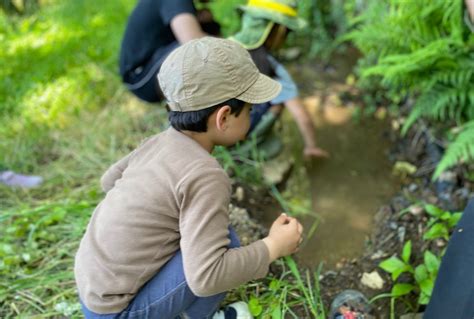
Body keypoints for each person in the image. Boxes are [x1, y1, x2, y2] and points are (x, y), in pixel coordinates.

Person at [75, 37, 304, 318]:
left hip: (91, 288)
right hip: (118, 313)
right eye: (250, 110)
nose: (252, 114)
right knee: (226, 244)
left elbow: (108, 182)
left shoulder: (157, 143)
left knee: (211, 233)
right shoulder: (205, 175)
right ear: (224, 118)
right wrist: (273, 247)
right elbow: (207, 277)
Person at [229, 0, 329, 159]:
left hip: (206, 131)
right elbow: (302, 117)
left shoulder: (220, 47)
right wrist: (311, 146)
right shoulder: (273, 69)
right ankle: (248, 145)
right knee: (279, 101)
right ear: (279, 31)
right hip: (235, 136)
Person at [119, 0, 219, 103]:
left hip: (157, 58)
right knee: (197, 48)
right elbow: (193, 42)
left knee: (208, 27)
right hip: (141, 77)